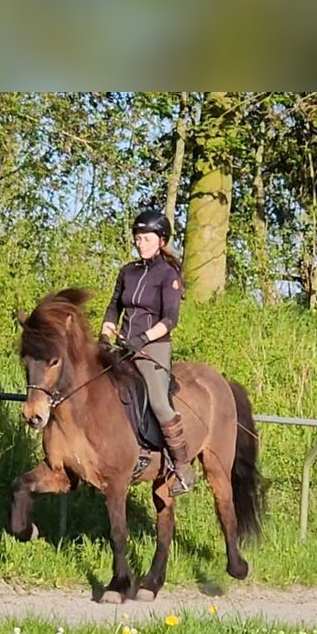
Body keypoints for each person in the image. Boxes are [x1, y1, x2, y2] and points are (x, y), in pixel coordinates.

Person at [100, 208, 196, 495]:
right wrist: (105, 334)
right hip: (123, 345)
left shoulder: (168, 275)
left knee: (157, 400)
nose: (140, 243)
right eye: (137, 238)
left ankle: (182, 468)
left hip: (153, 348)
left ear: (161, 241)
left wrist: (143, 338)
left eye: (146, 238)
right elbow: (114, 306)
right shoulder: (127, 272)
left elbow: (170, 319)